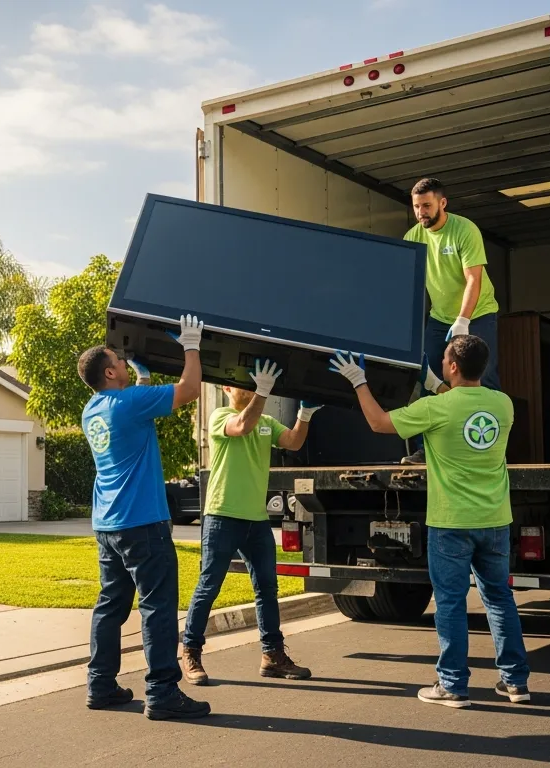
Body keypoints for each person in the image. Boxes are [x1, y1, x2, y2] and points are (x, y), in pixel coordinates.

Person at [328, 336, 531, 709]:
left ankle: (453, 685)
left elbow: (378, 423)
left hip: (451, 522)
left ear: (453, 366)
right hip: (495, 520)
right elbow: (458, 401)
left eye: (444, 360)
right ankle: (515, 683)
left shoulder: (435, 409)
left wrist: (358, 379)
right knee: (500, 599)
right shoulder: (502, 405)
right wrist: (434, 380)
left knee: (451, 603)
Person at [77, 314, 211, 721]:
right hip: (143, 524)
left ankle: (100, 685)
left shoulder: (93, 410)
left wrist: (143, 379)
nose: (122, 358)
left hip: (108, 525)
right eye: (119, 358)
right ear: (112, 370)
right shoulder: (129, 403)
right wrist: (191, 344)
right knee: (157, 607)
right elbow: (189, 389)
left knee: (110, 606)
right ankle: (163, 693)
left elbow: (134, 412)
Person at [178, 360, 320, 686]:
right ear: (226, 389)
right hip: (222, 516)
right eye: (245, 383)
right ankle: (190, 651)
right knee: (208, 587)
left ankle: (272, 656)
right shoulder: (220, 417)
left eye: (255, 383)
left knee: (267, 589)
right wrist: (264, 391)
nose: (252, 386)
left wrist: (305, 413)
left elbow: (294, 442)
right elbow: (242, 425)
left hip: (255, 521)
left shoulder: (267, 423)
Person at [402, 177, 501, 465]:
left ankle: (487, 450)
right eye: (417, 207)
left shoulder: (464, 230)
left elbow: (474, 279)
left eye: (427, 205)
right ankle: (426, 450)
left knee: (482, 379)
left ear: (442, 203)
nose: (421, 212)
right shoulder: (413, 238)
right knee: (427, 380)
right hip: (439, 319)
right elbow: (408, 287)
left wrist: (463, 320)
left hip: (477, 314)